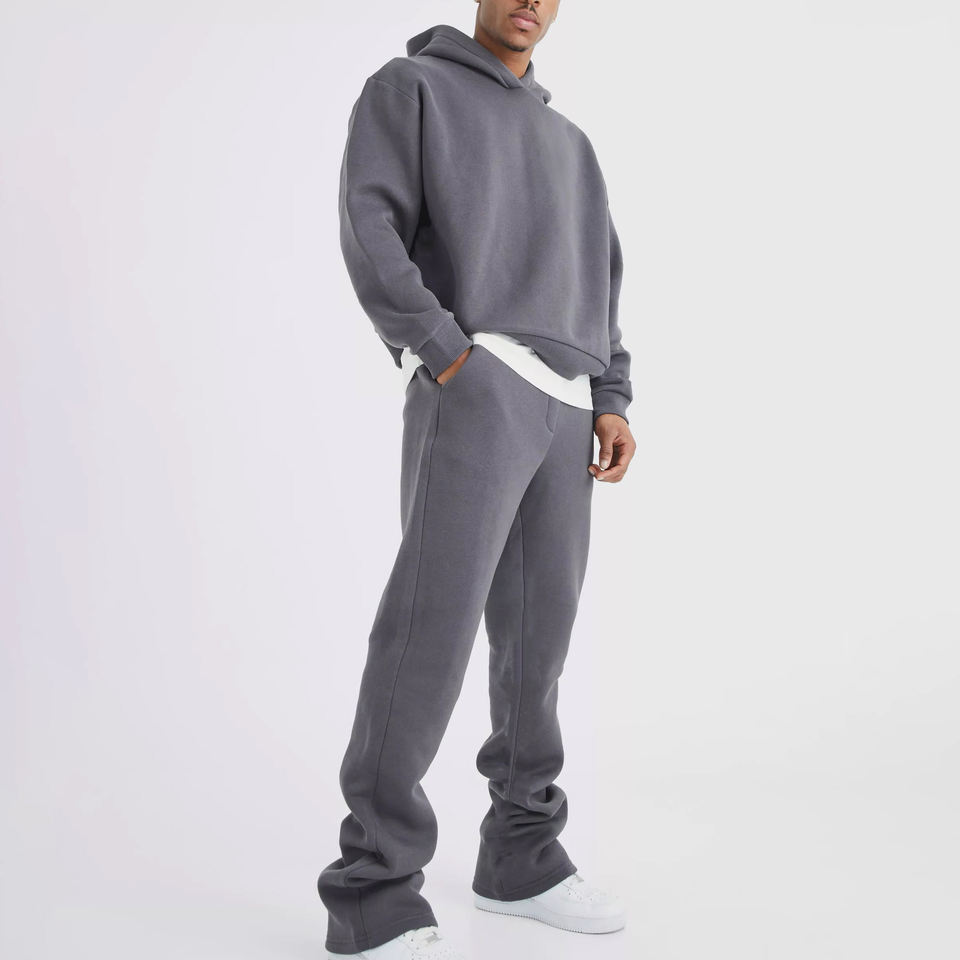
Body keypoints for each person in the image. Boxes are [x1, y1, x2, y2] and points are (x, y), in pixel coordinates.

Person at [318, 3, 636, 957]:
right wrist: (446, 350)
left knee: (539, 648)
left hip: (568, 409)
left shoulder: (572, 144)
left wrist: (611, 396)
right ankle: (373, 893)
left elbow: (603, 281)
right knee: (431, 630)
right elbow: (370, 226)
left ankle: (522, 857)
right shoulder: (410, 89)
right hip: (478, 386)